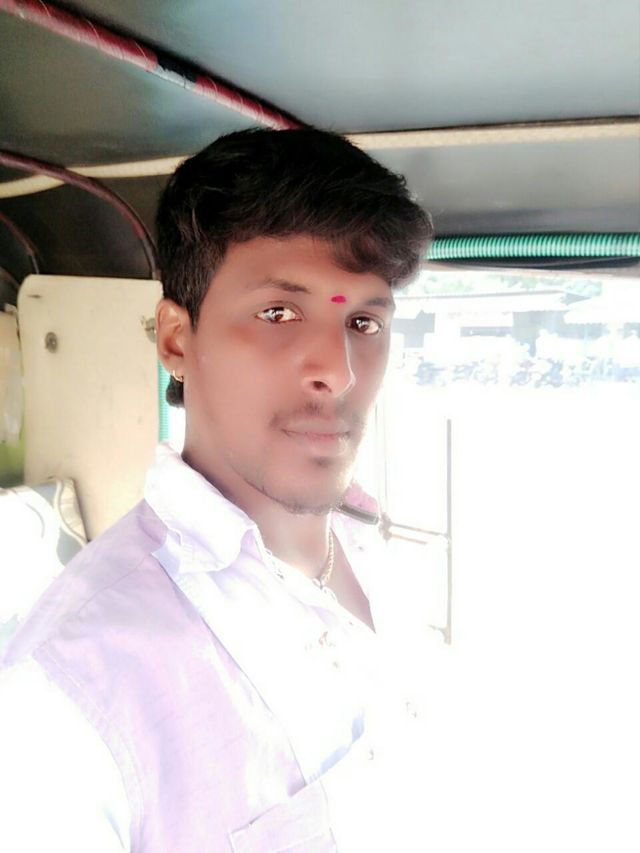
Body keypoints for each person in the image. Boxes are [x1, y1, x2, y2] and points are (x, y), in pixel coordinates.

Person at [0, 128, 432, 851]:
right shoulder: (66, 689)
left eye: (363, 321)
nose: (339, 370)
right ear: (176, 339)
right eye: (278, 313)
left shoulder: (376, 553)